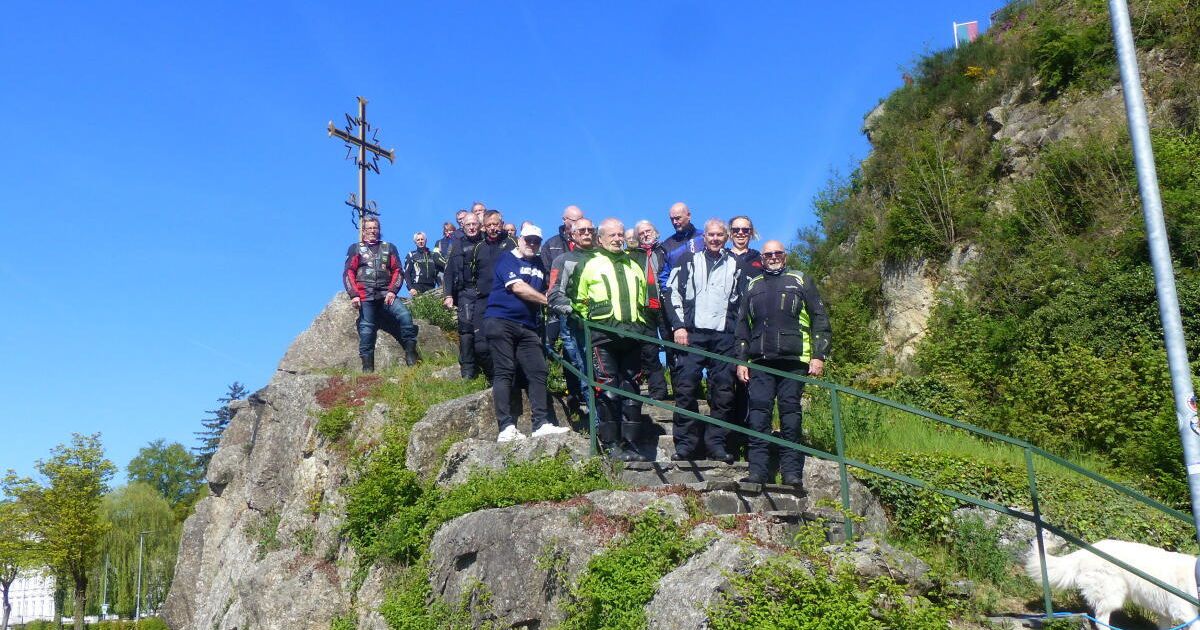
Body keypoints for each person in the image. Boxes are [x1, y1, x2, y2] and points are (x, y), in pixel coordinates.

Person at [735, 241, 830, 485]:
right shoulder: (753, 285)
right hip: (760, 361)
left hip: (794, 360)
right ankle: (758, 472)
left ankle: (791, 474)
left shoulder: (800, 280)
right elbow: (742, 326)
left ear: (784, 256)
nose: (773, 257)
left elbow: (820, 319)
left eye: (778, 253)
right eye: (768, 254)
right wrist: (741, 360)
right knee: (758, 415)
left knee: (790, 416)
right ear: (762, 258)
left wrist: (818, 355)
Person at [664, 218, 748, 462]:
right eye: (710, 235)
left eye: (719, 235)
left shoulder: (736, 264)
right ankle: (686, 444)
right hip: (693, 334)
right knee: (686, 387)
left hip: (723, 336)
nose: (714, 239)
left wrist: (737, 336)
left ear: (726, 238)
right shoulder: (688, 261)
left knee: (723, 392)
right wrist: (678, 326)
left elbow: (743, 304)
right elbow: (672, 294)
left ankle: (716, 443)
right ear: (704, 237)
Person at [571, 218, 650, 461]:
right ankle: (611, 444)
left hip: (632, 336)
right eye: (612, 235)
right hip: (602, 337)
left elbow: (644, 300)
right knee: (607, 389)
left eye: (620, 235)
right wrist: (591, 322)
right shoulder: (588, 263)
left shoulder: (635, 265)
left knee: (632, 391)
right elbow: (576, 299)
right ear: (600, 239)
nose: (617, 239)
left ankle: (631, 444)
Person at [484, 223, 570, 441]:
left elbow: (549, 289)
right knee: (505, 370)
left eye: (536, 241)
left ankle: (541, 423)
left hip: (528, 325)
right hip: (501, 319)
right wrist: (549, 303)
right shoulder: (507, 258)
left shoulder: (540, 264)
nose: (532, 244)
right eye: (528, 240)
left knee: (538, 370)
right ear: (520, 239)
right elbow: (518, 287)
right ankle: (506, 427)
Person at [343, 217, 419, 371]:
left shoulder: (389, 247)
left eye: (375, 228)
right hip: (365, 294)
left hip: (386, 293)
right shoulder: (355, 248)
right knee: (366, 328)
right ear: (363, 231)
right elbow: (348, 272)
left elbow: (398, 271)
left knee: (405, 315)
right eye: (369, 228)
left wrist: (392, 291)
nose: (372, 231)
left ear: (379, 230)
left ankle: (411, 353)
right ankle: (367, 367)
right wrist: (354, 294)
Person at [547, 217, 597, 416]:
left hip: (607, 325)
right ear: (573, 235)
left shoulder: (603, 257)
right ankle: (598, 425)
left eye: (590, 230)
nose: (586, 233)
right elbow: (553, 294)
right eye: (582, 230)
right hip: (577, 324)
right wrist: (575, 310)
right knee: (585, 370)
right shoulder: (563, 260)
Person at [465, 210, 517, 381]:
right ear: (483, 227)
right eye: (489, 225)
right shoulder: (479, 247)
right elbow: (473, 272)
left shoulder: (512, 243)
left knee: (507, 342)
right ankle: (494, 378)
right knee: (480, 345)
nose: (493, 228)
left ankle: (510, 380)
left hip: (507, 298)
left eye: (496, 224)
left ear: (501, 224)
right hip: (483, 299)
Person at [629, 220, 670, 401]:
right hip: (644, 307)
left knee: (672, 346)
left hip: (666, 304)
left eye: (648, 230)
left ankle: (679, 387)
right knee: (650, 350)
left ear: (656, 231)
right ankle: (658, 391)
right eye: (642, 233)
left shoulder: (665, 250)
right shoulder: (632, 255)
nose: (646, 234)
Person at [443, 213, 484, 377]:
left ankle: (489, 367)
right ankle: (467, 369)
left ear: (479, 225)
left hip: (485, 292)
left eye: (475, 224)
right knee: (466, 330)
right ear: (463, 227)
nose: (472, 227)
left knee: (487, 329)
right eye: (468, 225)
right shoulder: (457, 245)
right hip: (465, 291)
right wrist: (448, 295)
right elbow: (448, 272)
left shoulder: (487, 242)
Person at [658, 201, 705, 288]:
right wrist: (668, 294)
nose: (674, 222)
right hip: (678, 297)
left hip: (703, 295)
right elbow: (663, 275)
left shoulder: (704, 238)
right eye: (672, 219)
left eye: (678, 218)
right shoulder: (667, 245)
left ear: (689, 216)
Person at [541, 205, 583, 270]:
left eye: (581, 220)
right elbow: (546, 272)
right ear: (564, 219)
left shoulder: (590, 243)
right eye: (575, 221)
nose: (579, 224)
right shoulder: (550, 245)